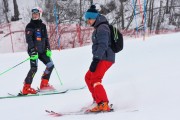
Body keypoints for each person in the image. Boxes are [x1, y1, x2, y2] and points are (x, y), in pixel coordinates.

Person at [84, 5, 115, 112]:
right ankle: (97, 100)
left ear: (95, 18)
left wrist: (96, 60)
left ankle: (103, 103)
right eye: (86, 19)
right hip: (101, 57)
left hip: (104, 58)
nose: (87, 21)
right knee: (88, 77)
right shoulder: (99, 27)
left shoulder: (102, 28)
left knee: (95, 79)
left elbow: (103, 45)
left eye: (89, 18)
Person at [22, 7, 54, 95]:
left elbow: (46, 38)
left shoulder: (43, 26)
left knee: (50, 65)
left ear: (40, 14)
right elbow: (29, 39)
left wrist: (48, 48)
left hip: (43, 51)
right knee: (34, 68)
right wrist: (32, 50)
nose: (35, 15)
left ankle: (44, 84)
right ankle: (26, 87)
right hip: (34, 51)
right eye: (33, 14)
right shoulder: (30, 26)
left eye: (36, 14)